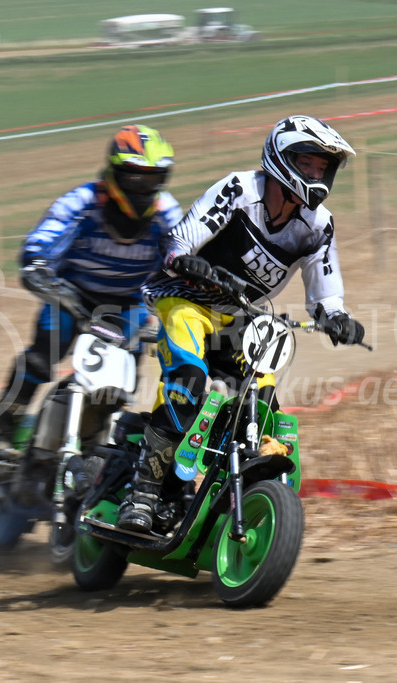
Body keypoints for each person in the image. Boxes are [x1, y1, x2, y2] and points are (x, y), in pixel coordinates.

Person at [117, 114, 366, 532]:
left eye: (323, 168)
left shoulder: (318, 226)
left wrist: (338, 320)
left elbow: (325, 293)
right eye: (308, 164)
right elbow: (179, 240)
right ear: (282, 159)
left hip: (239, 317)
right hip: (185, 300)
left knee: (259, 403)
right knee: (189, 383)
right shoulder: (239, 189)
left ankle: (235, 495)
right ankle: (140, 497)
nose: (317, 175)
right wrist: (186, 261)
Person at [0, 124, 183, 465]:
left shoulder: (167, 214)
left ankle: (93, 441)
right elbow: (44, 237)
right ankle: (2, 432)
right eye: (135, 177)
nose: (143, 187)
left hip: (129, 305)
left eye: (153, 178)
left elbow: (180, 258)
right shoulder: (83, 201)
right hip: (70, 294)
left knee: (121, 382)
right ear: (115, 173)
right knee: (41, 358)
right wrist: (37, 264)